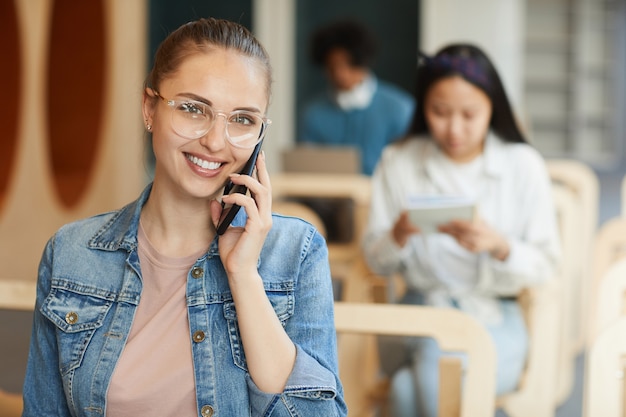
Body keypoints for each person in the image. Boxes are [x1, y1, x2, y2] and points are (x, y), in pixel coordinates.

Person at [22, 17, 347, 417]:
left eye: (243, 120)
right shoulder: (71, 253)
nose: (214, 140)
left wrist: (243, 276)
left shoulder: (295, 253)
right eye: (194, 109)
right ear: (149, 108)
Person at [362, 43, 561, 417]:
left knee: (408, 392)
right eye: (439, 112)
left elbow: (547, 263)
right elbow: (375, 262)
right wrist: (399, 235)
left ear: (493, 108)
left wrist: (501, 247)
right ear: (423, 107)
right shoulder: (399, 160)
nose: (454, 128)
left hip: (496, 317)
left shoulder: (523, 164)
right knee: (436, 371)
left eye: (469, 114)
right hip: (421, 311)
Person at [299, 19, 415, 176]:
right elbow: (307, 169)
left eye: (349, 64)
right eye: (333, 66)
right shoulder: (313, 113)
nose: (341, 74)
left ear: (364, 61)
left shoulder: (400, 108)